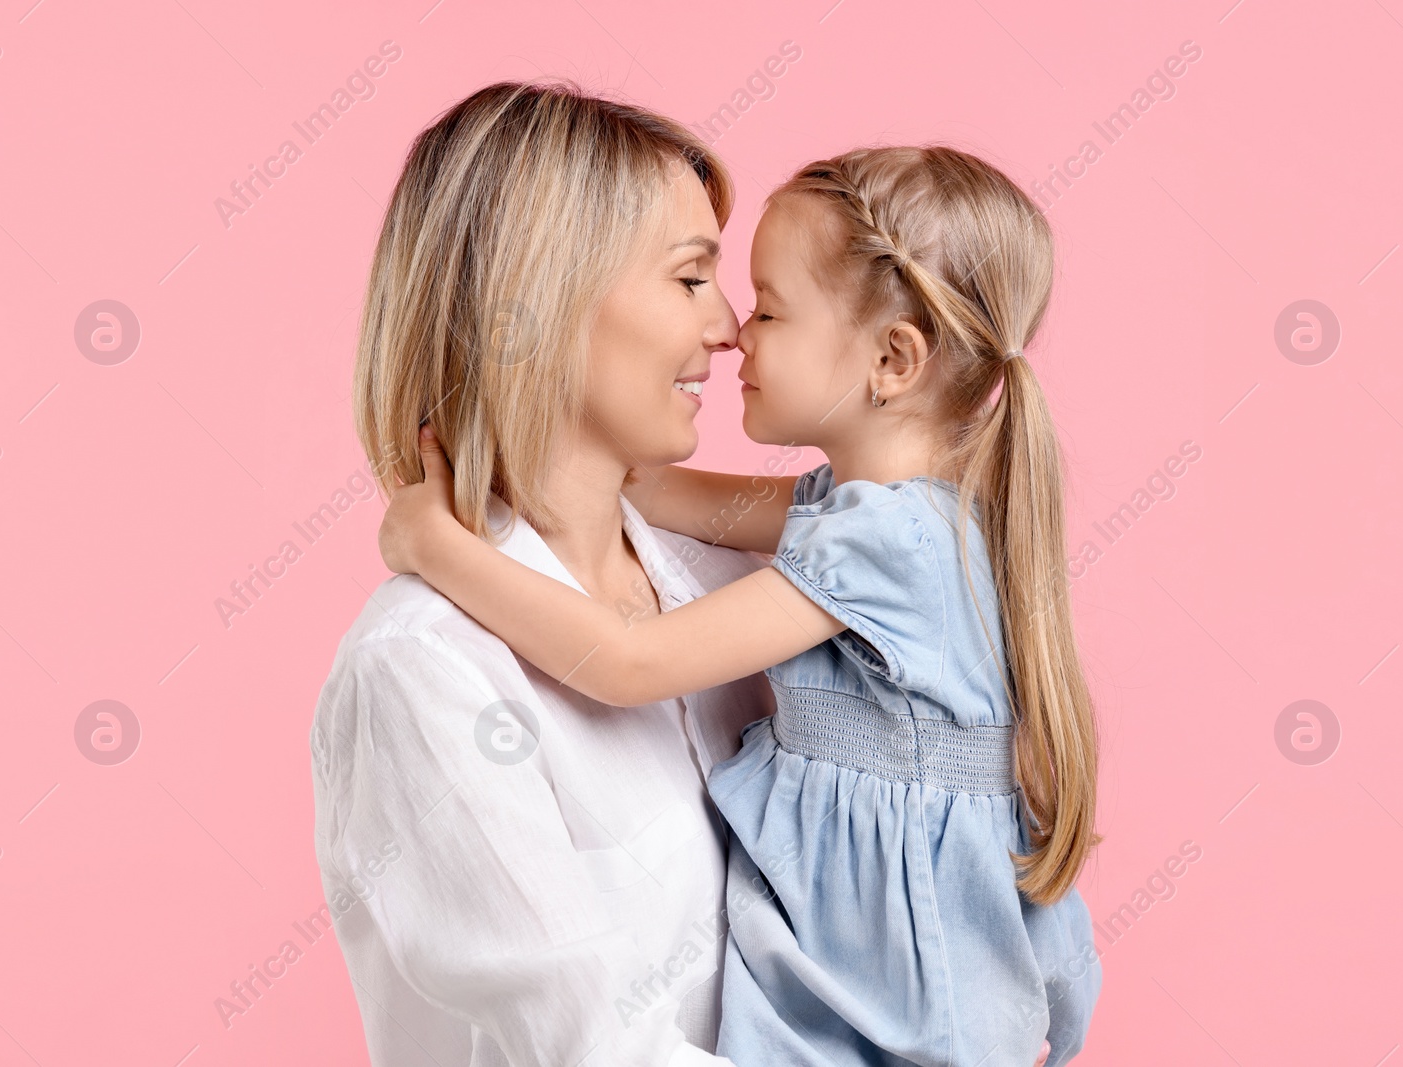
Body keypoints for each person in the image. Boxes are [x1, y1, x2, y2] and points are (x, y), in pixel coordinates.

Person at [379, 145, 1104, 1065]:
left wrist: (437, 546)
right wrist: (553, 412)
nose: (736, 333)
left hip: (897, 992)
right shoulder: (877, 514)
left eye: (769, 308)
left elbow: (633, 664)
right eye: (702, 284)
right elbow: (659, 492)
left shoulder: (882, 543)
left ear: (892, 358)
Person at [311, 81, 778, 1065]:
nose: (730, 327)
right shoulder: (422, 669)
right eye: (690, 279)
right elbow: (596, 1050)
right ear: (544, 297)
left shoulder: (737, 591)